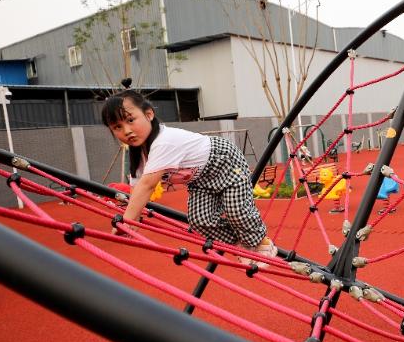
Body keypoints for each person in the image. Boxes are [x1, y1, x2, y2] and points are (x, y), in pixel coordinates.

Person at [102, 90, 278, 265]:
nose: (126, 131)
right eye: (117, 127)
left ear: (149, 114)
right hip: (201, 179)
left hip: (225, 162)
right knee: (199, 220)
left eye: (130, 120)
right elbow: (137, 187)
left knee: (236, 209)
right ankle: (244, 242)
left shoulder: (163, 142)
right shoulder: (140, 153)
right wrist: (133, 219)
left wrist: (127, 220)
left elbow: (147, 185)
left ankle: (262, 242)